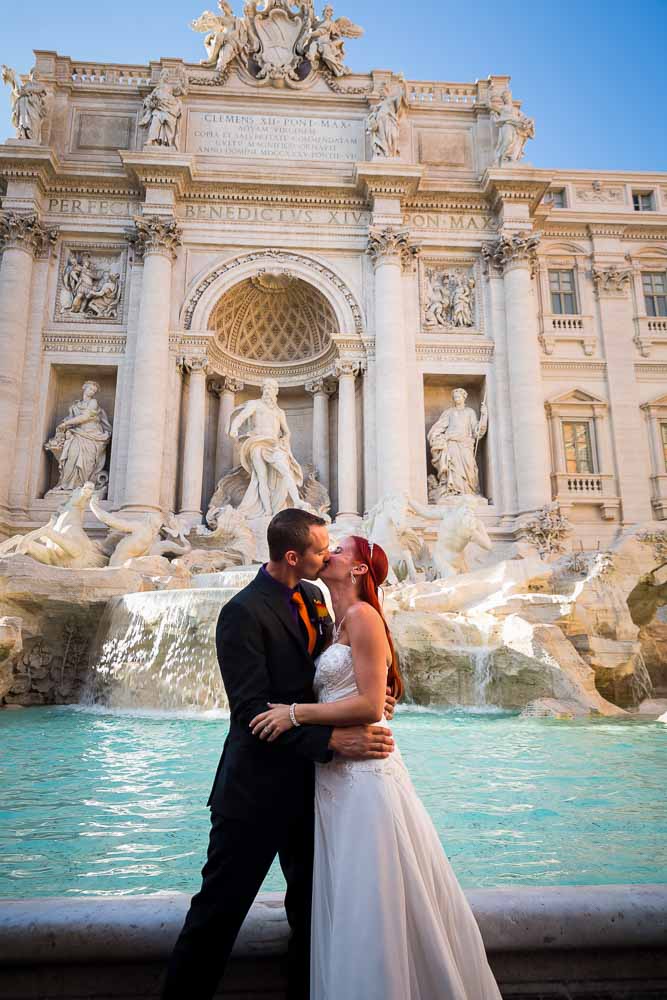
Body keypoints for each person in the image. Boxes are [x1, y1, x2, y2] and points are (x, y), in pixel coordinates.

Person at [251, 535, 503, 999]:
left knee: (371, 896)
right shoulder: (331, 619)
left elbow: (369, 704)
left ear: (360, 571)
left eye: (340, 551)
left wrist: (293, 713)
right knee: (347, 895)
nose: (329, 555)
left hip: (365, 776)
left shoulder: (364, 616)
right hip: (335, 773)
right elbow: (357, 692)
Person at [161, 508, 396, 1000]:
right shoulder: (242, 613)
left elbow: (337, 674)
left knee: (312, 921)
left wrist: (369, 700)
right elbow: (252, 712)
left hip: (314, 793)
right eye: (320, 548)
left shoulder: (316, 596)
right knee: (216, 917)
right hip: (254, 793)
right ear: (294, 556)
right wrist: (333, 740)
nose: (328, 553)